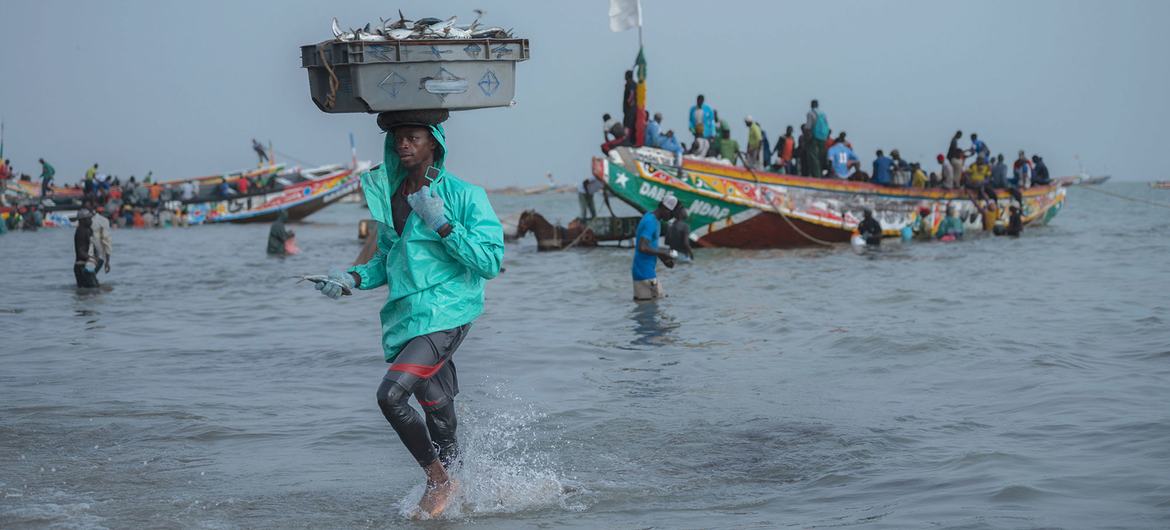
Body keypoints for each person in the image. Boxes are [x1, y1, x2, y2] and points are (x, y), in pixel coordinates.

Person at [313, 109, 504, 518]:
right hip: (406, 319)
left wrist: (444, 225)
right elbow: (386, 260)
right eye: (398, 137)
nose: (403, 144)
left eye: (413, 137)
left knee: (390, 395)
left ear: (434, 142)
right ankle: (465, 495)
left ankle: (438, 481)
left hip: (447, 313)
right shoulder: (393, 198)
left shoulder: (464, 195)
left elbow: (489, 262)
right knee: (439, 410)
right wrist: (351, 278)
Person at [632, 195, 677, 301]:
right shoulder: (650, 222)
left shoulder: (654, 220)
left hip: (646, 273)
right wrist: (663, 252)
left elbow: (651, 246)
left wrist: (664, 259)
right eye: (671, 214)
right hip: (644, 274)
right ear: (665, 209)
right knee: (651, 308)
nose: (671, 217)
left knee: (655, 304)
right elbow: (642, 247)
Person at [73, 210, 100, 288]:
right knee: (94, 291)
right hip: (82, 266)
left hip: (87, 266)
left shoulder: (88, 230)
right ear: (82, 220)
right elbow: (80, 251)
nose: (91, 220)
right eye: (89, 219)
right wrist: (92, 259)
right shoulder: (81, 231)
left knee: (88, 293)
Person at [805, 100, 829, 178]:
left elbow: (808, 127)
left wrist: (807, 139)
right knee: (820, 157)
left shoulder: (810, 113)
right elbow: (827, 126)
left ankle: (816, 175)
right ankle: (821, 174)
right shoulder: (823, 114)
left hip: (814, 138)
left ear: (811, 105)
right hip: (823, 138)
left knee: (813, 157)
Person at [91, 203, 113, 274]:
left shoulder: (87, 220)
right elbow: (107, 242)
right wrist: (107, 262)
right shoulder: (104, 221)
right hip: (97, 257)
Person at [622, 70, 637, 145]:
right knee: (631, 124)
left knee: (627, 124)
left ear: (627, 76)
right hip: (633, 109)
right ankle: (630, 139)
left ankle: (626, 139)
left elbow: (631, 93)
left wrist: (629, 102)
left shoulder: (630, 84)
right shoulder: (634, 84)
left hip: (630, 109)